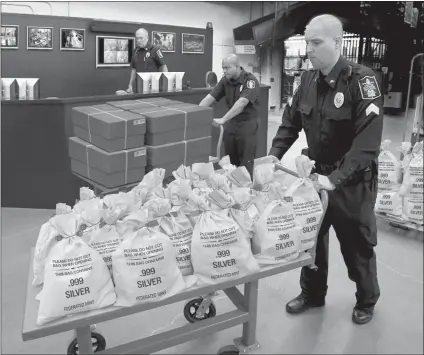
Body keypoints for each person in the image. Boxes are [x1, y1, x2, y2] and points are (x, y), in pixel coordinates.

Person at [268, 14, 383, 325]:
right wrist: (272, 157)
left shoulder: (362, 82)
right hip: (316, 178)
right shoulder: (306, 81)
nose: (309, 50)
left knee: (356, 247)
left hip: (351, 183)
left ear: (337, 42)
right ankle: (313, 294)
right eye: (307, 43)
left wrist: (336, 179)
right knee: (311, 241)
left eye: (316, 43)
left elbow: (367, 144)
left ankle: (367, 299)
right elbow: (289, 124)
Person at [199, 54, 260, 176]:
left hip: (247, 125)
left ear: (237, 67)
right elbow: (210, 97)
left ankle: (246, 192)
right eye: (223, 68)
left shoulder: (250, 80)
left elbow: (242, 103)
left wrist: (223, 119)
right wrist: (196, 112)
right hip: (231, 124)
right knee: (230, 162)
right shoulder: (225, 81)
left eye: (227, 68)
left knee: (245, 163)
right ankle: (233, 191)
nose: (224, 70)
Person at [127, 28, 168, 93]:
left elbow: (163, 66)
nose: (139, 40)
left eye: (141, 38)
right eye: (137, 38)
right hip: (139, 87)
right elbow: (134, 69)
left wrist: (165, 84)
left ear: (147, 38)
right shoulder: (135, 51)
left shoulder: (155, 50)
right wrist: (130, 84)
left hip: (153, 88)